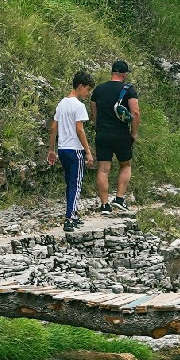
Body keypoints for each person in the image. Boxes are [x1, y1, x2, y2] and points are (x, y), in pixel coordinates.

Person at [89, 58, 140, 210]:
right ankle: (119, 198)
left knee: (103, 169)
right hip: (121, 134)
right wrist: (134, 133)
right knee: (125, 165)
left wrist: (100, 127)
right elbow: (135, 112)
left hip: (102, 134)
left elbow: (94, 114)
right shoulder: (128, 90)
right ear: (124, 75)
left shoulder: (98, 90)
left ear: (112, 72)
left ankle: (105, 205)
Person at [52, 71, 95, 233]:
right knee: (76, 185)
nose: (88, 93)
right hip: (75, 149)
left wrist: (51, 149)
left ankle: (74, 214)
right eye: (88, 89)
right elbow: (80, 130)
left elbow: (53, 128)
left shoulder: (61, 104)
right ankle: (69, 218)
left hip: (62, 149)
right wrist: (88, 151)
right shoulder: (79, 106)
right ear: (80, 86)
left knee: (69, 183)